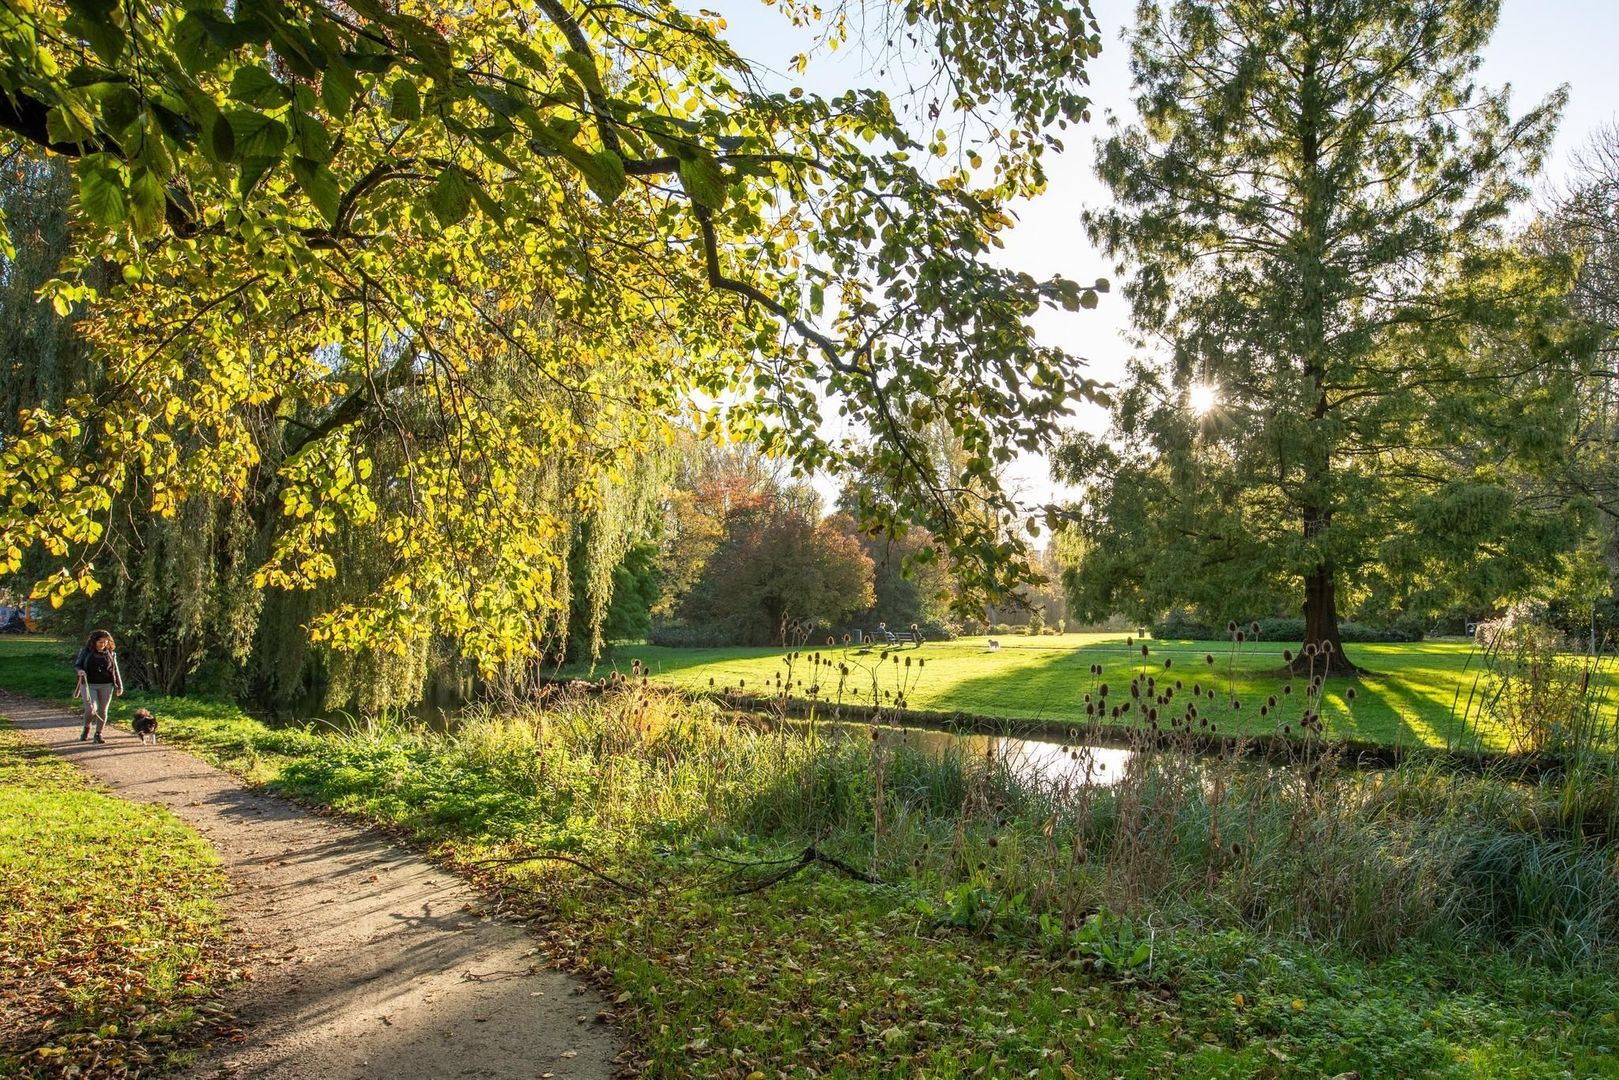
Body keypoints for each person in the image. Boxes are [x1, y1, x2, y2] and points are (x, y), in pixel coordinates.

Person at [74, 630, 123, 743]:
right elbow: (77, 665)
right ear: (94, 641)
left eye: (106, 642)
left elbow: (115, 671)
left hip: (106, 685)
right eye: (100, 642)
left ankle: (98, 734)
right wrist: (80, 671)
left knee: (103, 710)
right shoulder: (85, 652)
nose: (103, 644)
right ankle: (86, 727)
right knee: (91, 709)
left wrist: (119, 686)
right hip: (88, 684)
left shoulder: (111, 653)